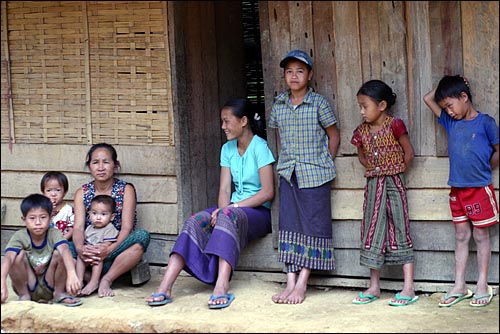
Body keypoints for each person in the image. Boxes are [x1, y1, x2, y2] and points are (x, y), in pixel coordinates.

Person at [145, 98, 275, 309]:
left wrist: (230, 209)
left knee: (227, 216)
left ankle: (221, 287)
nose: (223, 127)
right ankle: (165, 287)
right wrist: (222, 209)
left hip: (258, 212)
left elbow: (268, 192)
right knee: (195, 221)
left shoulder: (260, 147)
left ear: (243, 121)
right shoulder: (227, 149)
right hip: (232, 209)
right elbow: (224, 188)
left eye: (226, 121)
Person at [268, 49, 340, 304]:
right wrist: (285, 162)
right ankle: (289, 281)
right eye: (289, 71)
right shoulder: (279, 104)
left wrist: (324, 163)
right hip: (289, 173)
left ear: (309, 75)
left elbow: (334, 136)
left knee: (313, 226)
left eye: (300, 71)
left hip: (316, 175)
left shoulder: (319, 103)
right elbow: (279, 139)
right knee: (289, 224)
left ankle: (302, 283)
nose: (294, 76)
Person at [423, 75, 499, 307]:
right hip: (457, 191)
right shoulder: (451, 122)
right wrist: (453, 81)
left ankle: (482, 284)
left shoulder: (486, 123)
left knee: (480, 235)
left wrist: (485, 168)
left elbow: (498, 149)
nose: (449, 111)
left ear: (464, 97)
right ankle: (459, 285)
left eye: (450, 105)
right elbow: (428, 98)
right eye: (445, 107)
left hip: (479, 190)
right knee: (461, 236)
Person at [350, 79, 417, 306]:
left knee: (400, 226)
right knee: (372, 229)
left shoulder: (395, 125)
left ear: (382, 105)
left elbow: (408, 153)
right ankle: (374, 286)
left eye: (364, 106)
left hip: (394, 183)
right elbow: (361, 155)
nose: (361, 111)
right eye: (360, 106)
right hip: (373, 185)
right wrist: (373, 168)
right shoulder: (361, 132)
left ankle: (408, 287)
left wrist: (396, 172)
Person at [72, 143, 151, 297]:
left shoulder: (125, 190)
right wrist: (81, 249)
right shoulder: (82, 193)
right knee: (63, 247)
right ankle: (86, 279)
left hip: (115, 252)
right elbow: (78, 228)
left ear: (115, 166)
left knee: (142, 236)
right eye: (95, 162)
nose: (101, 167)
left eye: (106, 162)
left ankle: (106, 280)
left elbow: (126, 228)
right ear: (89, 167)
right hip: (88, 255)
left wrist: (108, 249)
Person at [1, 194, 82, 306]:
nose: (38, 222)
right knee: (17, 256)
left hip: (50, 283)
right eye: (32, 218)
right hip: (29, 284)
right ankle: (24, 295)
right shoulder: (20, 236)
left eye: (43, 217)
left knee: (60, 254)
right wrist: (2, 282)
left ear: (50, 218)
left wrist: (72, 273)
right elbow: (8, 257)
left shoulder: (54, 233)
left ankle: (59, 294)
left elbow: (64, 250)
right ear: (24, 220)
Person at [76, 195, 119, 296]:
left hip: (101, 255)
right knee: (79, 257)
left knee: (97, 259)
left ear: (112, 217)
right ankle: (79, 280)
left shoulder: (109, 228)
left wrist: (99, 248)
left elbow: (108, 243)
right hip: (89, 252)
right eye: (94, 213)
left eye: (103, 214)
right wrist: (85, 249)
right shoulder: (89, 228)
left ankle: (94, 282)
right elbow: (85, 241)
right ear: (89, 214)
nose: (98, 217)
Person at [40, 171, 74, 240]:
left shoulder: (68, 210)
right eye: (49, 190)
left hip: (63, 240)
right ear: (43, 192)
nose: (53, 194)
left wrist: (61, 241)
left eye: (58, 190)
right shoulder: (41, 209)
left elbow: (71, 229)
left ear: (65, 192)